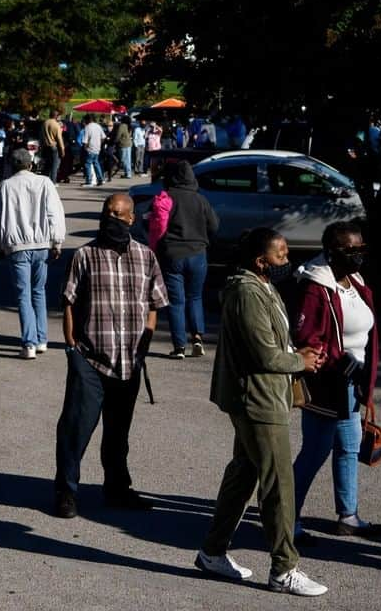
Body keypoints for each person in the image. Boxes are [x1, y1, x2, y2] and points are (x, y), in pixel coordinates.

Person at [196, 228, 328, 597]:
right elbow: (264, 354)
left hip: (263, 394)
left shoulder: (260, 285)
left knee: (245, 472)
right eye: (281, 256)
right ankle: (284, 568)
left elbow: (273, 343)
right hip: (258, 398)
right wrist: (298, 361)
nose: (287, 261)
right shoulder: (246, 292)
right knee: (278, 484)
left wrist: (297, 355)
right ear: (260, 261)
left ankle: (212, 551)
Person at [53, 194, 168, 518]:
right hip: (90, 359)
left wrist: (143, 345)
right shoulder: (85, 255)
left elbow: (155, 305)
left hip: (129, 363)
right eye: (107, 213)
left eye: (118, 214)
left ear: (131, 219)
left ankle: (117, 489)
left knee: (118, 434)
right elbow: (69, 302)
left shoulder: (145, 257)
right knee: (75, 429)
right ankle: (66, 491)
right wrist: (71, 348)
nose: (112, 219)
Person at [292, 222, 381, 543]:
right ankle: (284, 519)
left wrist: (361, 375)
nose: (358, 255)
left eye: (362, 249)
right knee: (315, 452)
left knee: (348, 448)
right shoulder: (316, 286)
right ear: (332, 251)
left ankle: (349, 517)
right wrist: (340, 362)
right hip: (326, 382)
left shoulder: (354, 281)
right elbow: (305, 337)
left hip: (351, 382)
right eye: (351, 250)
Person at [0, 148, 66, 359]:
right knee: (39, 291)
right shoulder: (45, 183)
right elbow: (55, 214)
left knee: (24, 295)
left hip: (17, 246)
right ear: (30, 164)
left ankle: (29, 342)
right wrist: (57, 242)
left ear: (12, 165)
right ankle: (41, 338)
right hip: (41, 244)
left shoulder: (6, 186)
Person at [148, 160, 219, 359]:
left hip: (172, 255)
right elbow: (214, 226)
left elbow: (156, 225)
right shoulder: (201, 200)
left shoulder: (166, 197)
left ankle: (179, 346)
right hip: (198, 253)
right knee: (195, 297)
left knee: (176, 301)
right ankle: (197, 337)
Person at [42, 109, 65, 183]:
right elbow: (59, 138)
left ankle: (44, 181)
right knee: (54, 166)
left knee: (47, 165)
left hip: (45, 146)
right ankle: (53, 182)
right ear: (56, 116)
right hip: (53, 146)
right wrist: (62, 149)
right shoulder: (56, 124)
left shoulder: (45, 123)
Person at [81, 115, 104, 186]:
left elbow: (85, 141)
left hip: (90, 149)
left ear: (88, 120)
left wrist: (85, 148)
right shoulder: (98, 126)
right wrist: (99, 144)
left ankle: (89, 180)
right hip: (97, 148)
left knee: (87, 164)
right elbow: (103, 137)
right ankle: (100, 179)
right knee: (96, 163)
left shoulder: (87, 127)